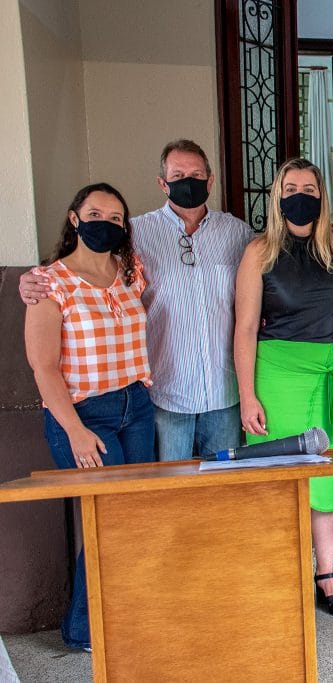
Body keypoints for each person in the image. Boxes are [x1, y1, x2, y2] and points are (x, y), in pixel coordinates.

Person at [21, 140, 253, 461]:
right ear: (162, 183)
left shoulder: (238, 233)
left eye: (196, 175)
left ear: (210, 180)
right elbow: (86, 263)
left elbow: (268, 276)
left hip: (223, 390)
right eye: (178, 175)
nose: (188, 181)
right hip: (165, 392)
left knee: (225, 484)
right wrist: (32, 281)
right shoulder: (136, 233)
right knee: (164, 486)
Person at [23, 183, 156, 652]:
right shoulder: (49, 282)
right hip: (83, 414)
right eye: (95, 214)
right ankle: (84, 627)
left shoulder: (131, 270)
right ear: (75, 219)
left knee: (133, 517)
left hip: (135, 407)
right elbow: (43, 367)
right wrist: (75, 431)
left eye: (116, 217)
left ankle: (125, 616)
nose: (106, 223)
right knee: (107, 520)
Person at [234, 158, 333, 617]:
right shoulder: (259, 251)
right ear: (277, 196)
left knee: (332, 473)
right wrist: (247, 395)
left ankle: (326, 572)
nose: (300, 196)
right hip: (280, 375)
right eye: (291, 188)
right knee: (280, 476)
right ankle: (283, 571)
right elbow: (245, 326)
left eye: (309, 188)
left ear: (321, 196)